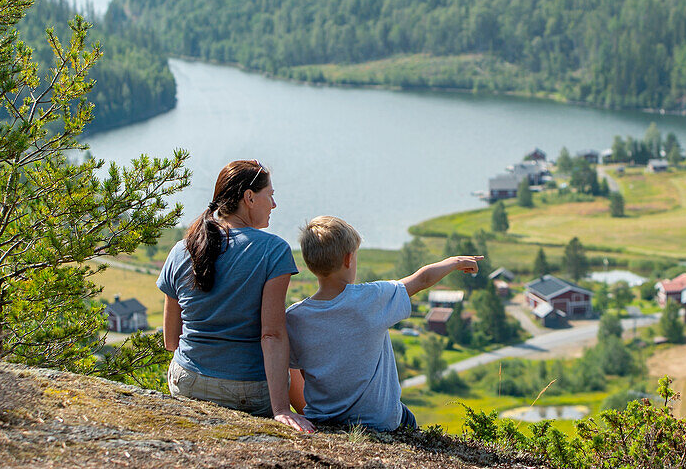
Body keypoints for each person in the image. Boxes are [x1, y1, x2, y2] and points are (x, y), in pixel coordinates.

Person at [157, 159, 313, 432]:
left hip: (188, 382)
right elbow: (272, 335)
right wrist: (279, 410)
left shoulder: (182, 249)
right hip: (249, 392)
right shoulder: (273, 250)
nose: (274, 205)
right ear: (249, 198)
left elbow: (171, 341)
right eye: (271, 196)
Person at [286, 215, 482, 431]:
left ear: (309, 261)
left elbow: (298, 373)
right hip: (380, 421)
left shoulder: (295, 317)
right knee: (407, 418)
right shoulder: (371, 298)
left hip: (323, 420)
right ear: (348, 259)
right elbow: (422, 279)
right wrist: (454, 262)